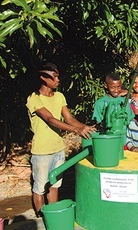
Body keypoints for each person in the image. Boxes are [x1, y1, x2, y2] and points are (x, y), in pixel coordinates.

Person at [26, 63, 95, 217]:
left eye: (58, 76)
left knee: (54, 185)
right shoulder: (34, 98)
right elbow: (50, 119)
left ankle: (53, 216)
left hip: (58, 149)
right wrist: (76, 130)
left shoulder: (59, 96)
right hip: (42, 151)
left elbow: (69, 118)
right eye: (54, 76)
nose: (58, 79)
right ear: (43, 78)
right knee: (40, 188)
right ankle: (41, 218)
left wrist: (85, 127)